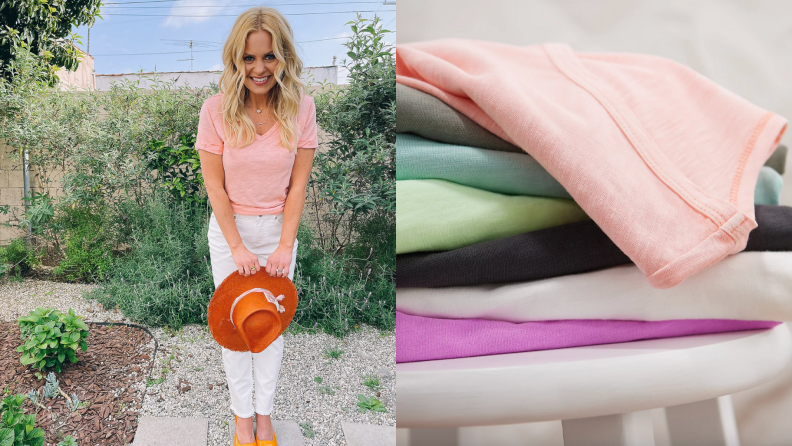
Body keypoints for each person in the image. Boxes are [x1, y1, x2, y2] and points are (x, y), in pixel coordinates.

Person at [195, 6, 318, 446]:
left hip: (278, 237)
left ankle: (264, 418)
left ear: (283, 57)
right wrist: (239, 247)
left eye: (269, 57)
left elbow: (298, 187)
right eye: (249, 58)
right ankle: (241, 420)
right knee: (235, 328)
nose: (259, 68)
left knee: (270, 325)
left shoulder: (302, 109)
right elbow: (215, 188)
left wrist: (285, 245)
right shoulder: (214, 111)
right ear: (235, 60)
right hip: (231, 237)